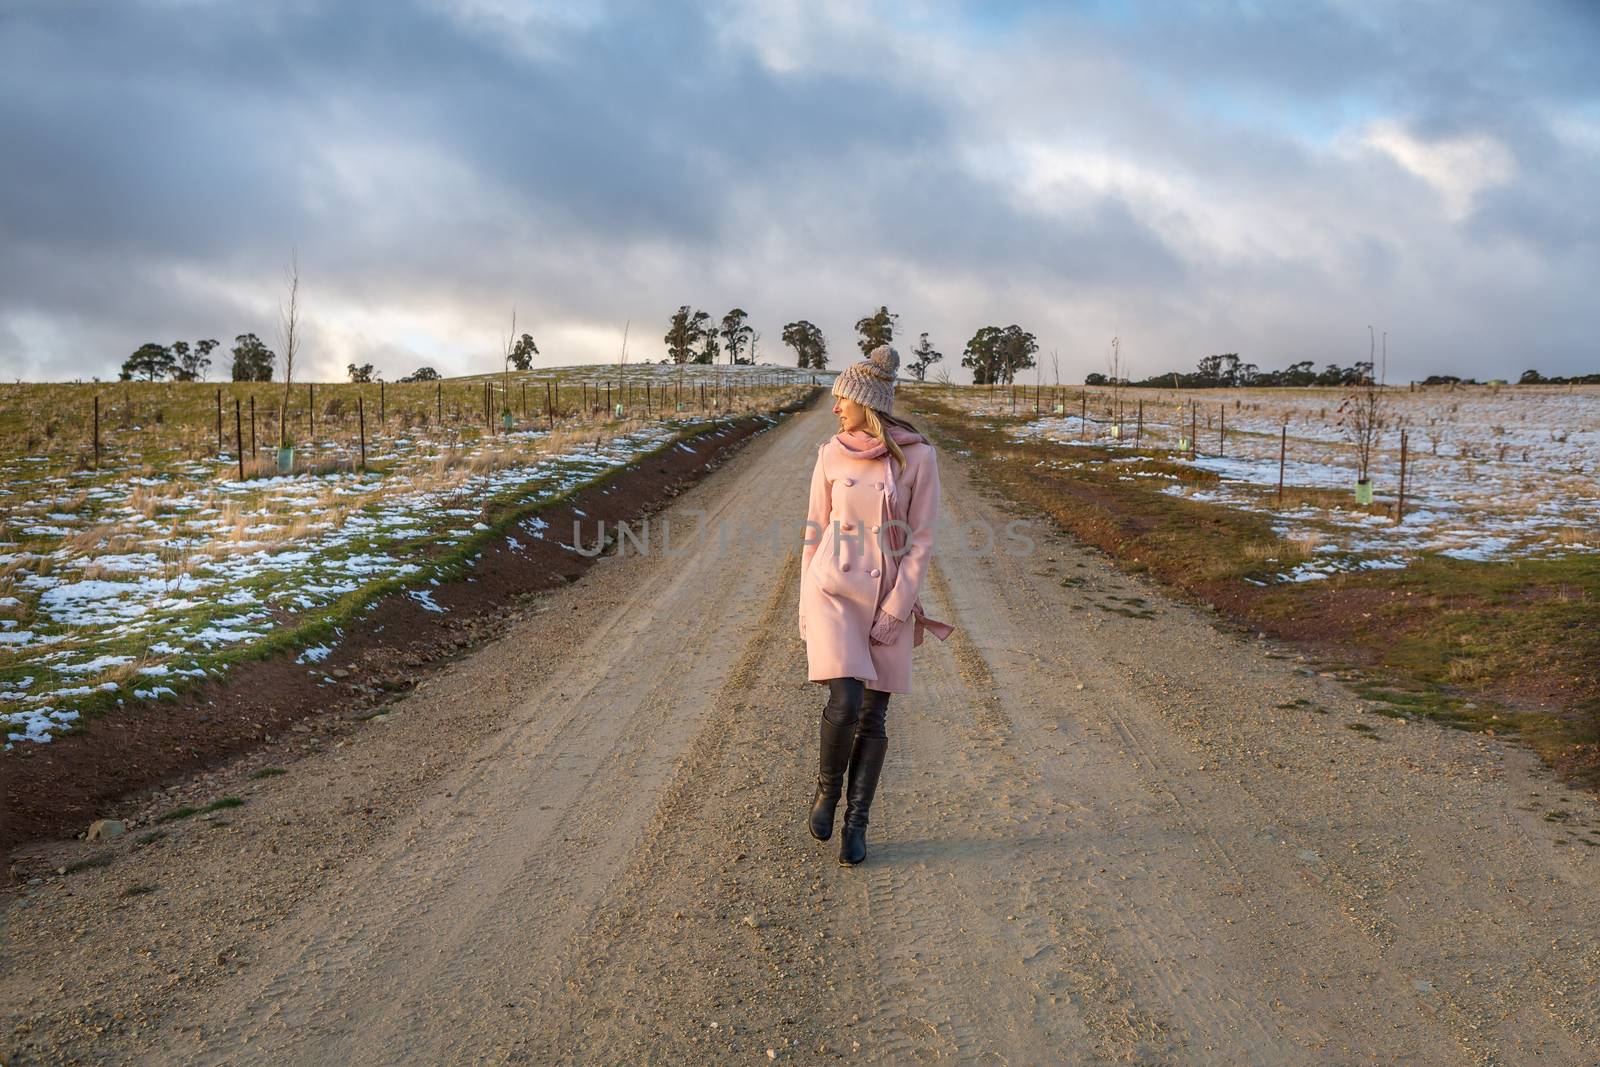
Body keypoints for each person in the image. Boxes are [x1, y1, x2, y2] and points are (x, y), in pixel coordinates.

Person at [798, 343, 954, 866]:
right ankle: (826, 790)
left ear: (867, 401)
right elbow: (814, 534)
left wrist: (896, 607)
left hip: (887, 595)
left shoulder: (918, 457)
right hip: (833, 592)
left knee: (873, 718)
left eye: (842, 397)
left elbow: (921, 541)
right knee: (843, 703)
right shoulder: (829, 453)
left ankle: (856, 823)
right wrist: (804, 606)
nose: (835, 407)